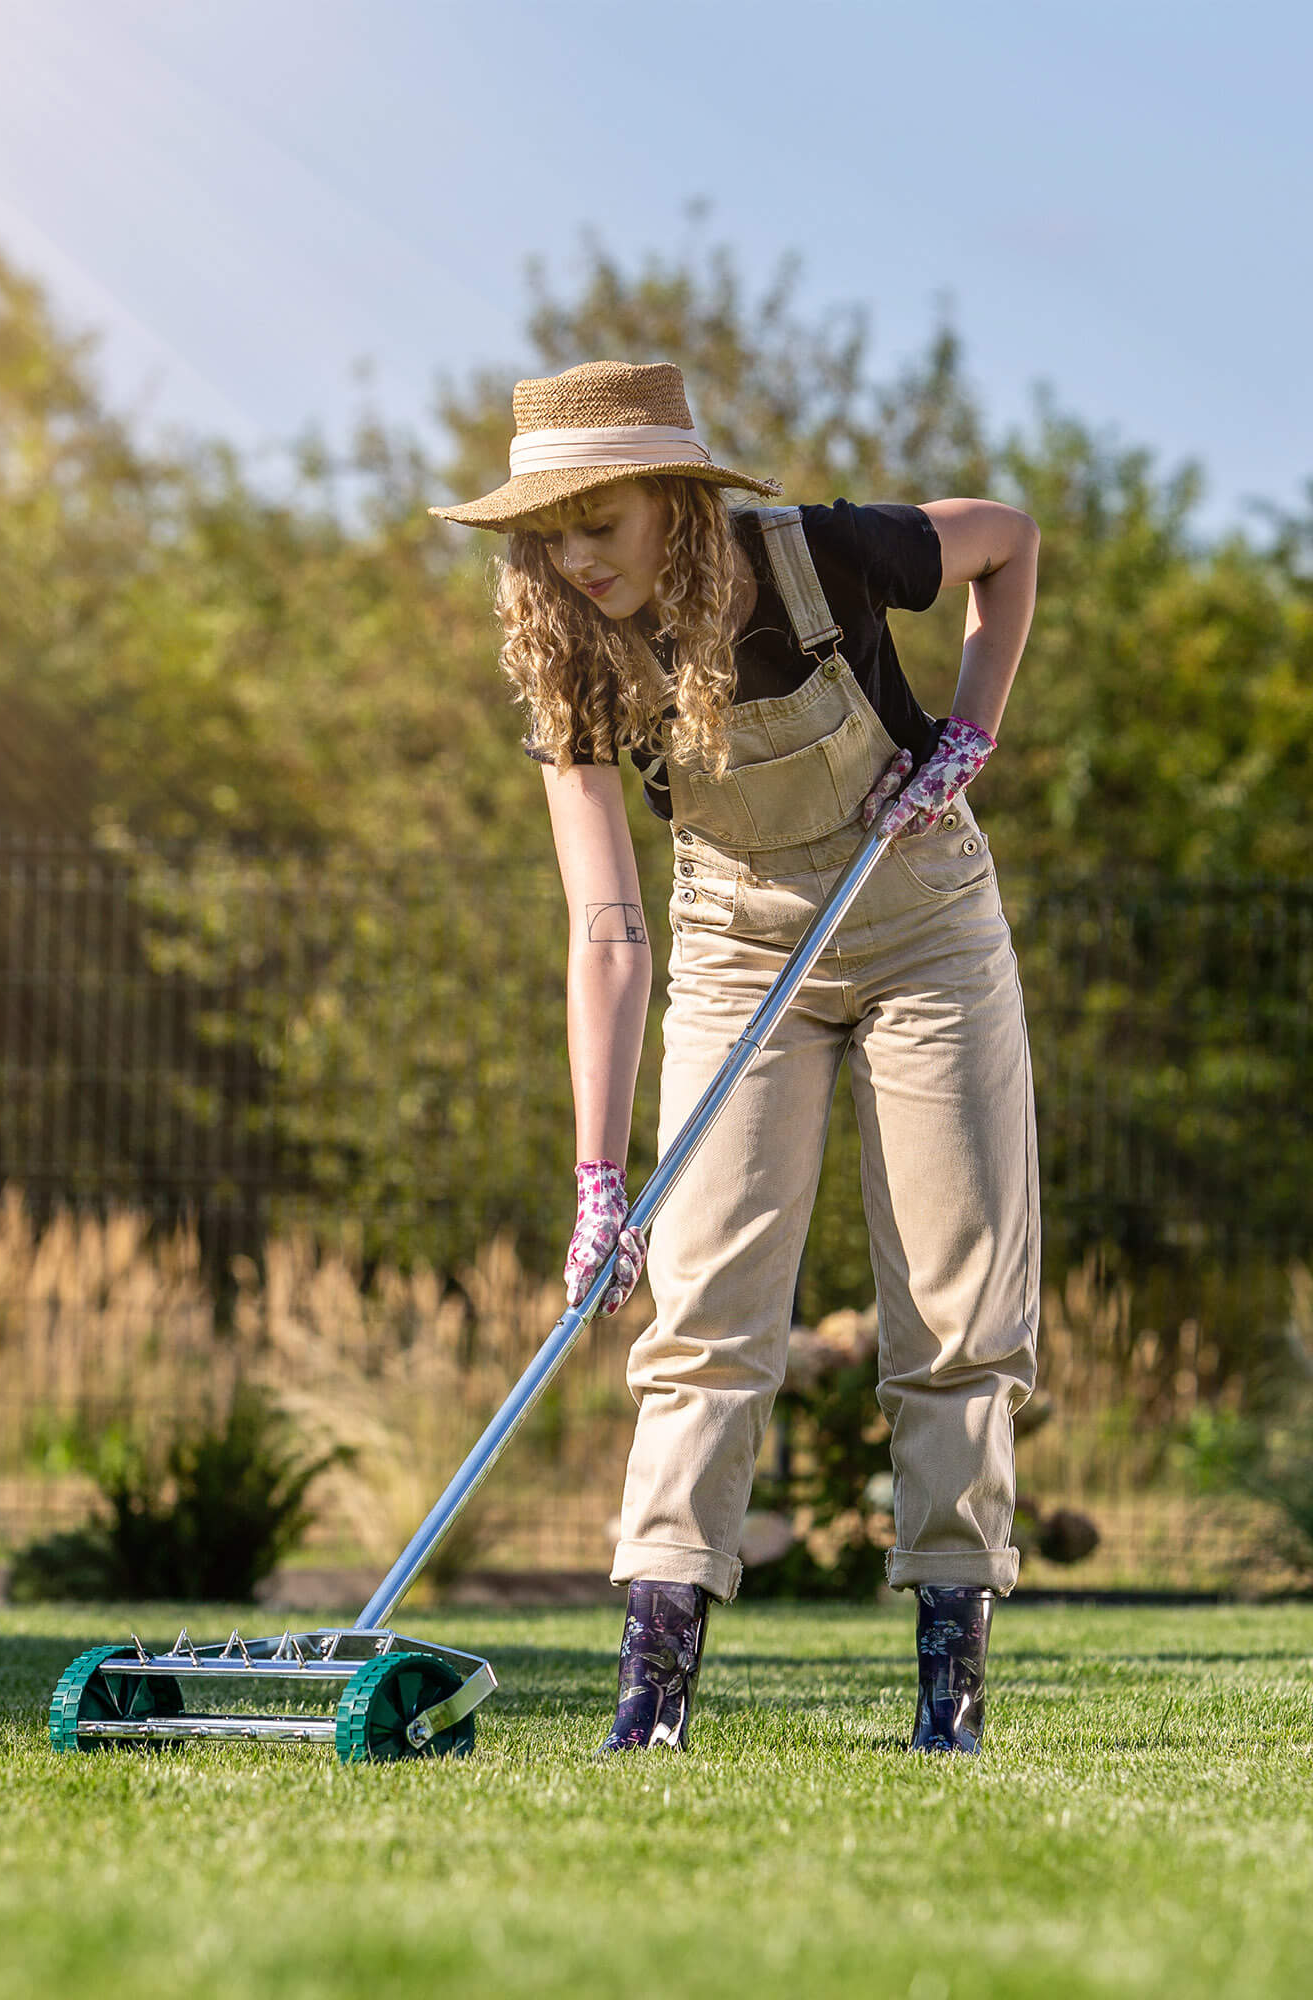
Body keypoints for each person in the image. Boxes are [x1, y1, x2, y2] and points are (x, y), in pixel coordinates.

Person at [432, 360, 1041, 1754]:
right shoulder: (567, 656)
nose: (576, 555)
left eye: (604, 516)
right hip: (734, 946)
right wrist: (596, 1180)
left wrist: (972, 727)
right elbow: (605, 926)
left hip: (923, 924)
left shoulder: (823, 553)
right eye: (551, 528)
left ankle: (951, 1686)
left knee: (955, 1314)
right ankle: (653, 1693)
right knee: (700, 1313)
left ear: (677, 499)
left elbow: (1007, 540)